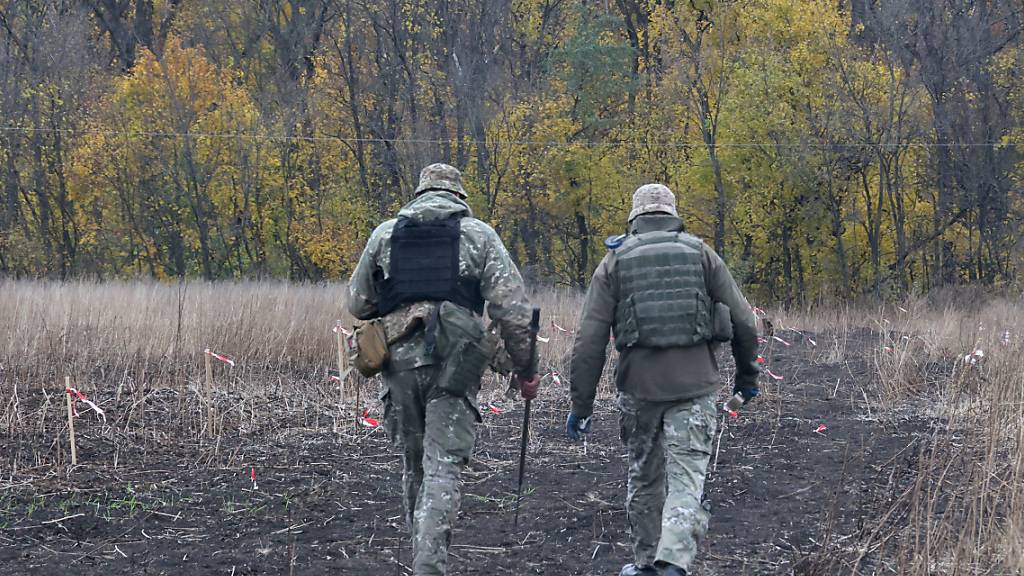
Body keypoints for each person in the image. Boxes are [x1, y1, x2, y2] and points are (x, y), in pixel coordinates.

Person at [348, 163, 539, 576]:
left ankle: (421, 560)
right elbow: (513, 310)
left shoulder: (385, 235)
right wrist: (524, 368)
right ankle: (429, 568)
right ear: (459, 196)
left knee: (414, 465)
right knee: (443, 467)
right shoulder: (478, 235)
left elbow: (358, 304)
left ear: (419, 193)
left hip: (399, 364)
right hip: (456, 363)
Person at [565, 184, 760, 576]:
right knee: (687, 479)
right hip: (695, 387)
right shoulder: (703, 254)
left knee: (644, 476)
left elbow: (588, 342)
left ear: (635, 218)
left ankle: (645, 565)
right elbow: (744, 321)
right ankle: (673, 561)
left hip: (640, 391)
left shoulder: (614, 262)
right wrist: (746, 377)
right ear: (673, 214)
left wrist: (581, 407)